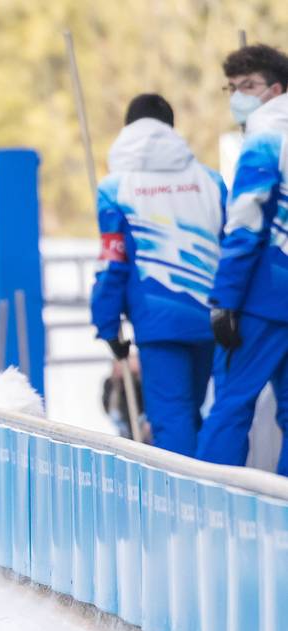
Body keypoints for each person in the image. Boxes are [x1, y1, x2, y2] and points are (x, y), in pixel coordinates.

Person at [88, 93, 226, 457]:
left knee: (171, 418)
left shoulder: (115, 187)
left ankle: (182, 506)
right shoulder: (211, 181)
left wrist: (106, 324)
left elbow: (112, 262)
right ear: (171, 127)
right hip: (213, 315)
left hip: (158, 321)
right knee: (205, 412)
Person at [197, 45, 288, 474]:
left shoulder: (267, 130)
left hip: (261, 294)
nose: (238, 96)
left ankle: (205, 519)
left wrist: (225, 299)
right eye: (231, 88)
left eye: (248, 86)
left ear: (275, 89)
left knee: (231, 405)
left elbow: (247, 220)